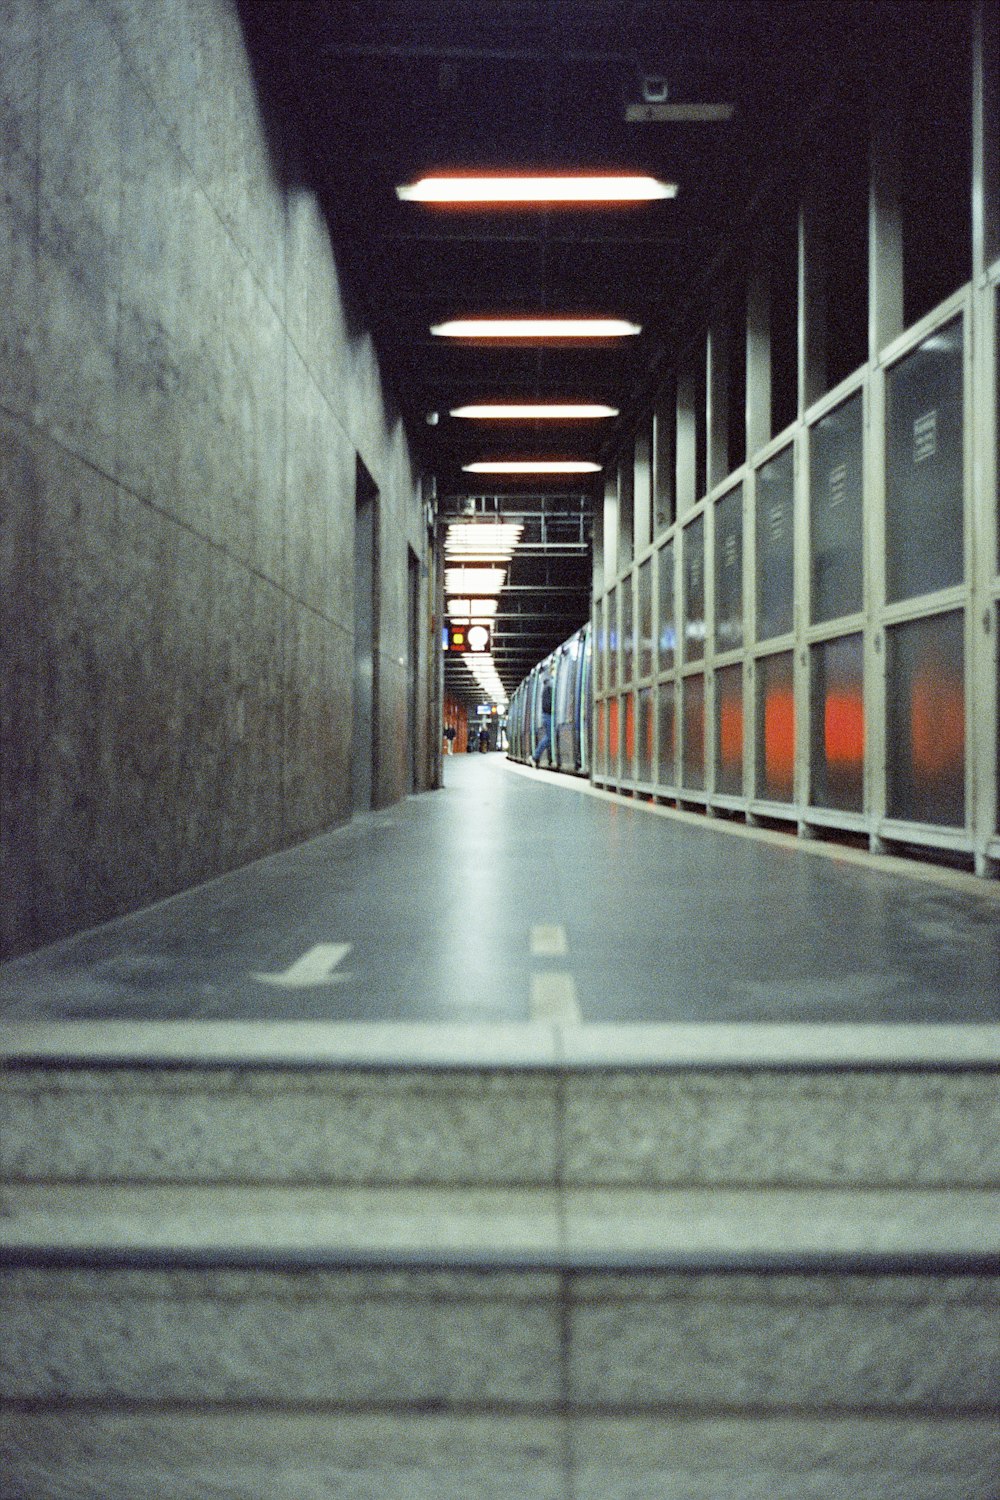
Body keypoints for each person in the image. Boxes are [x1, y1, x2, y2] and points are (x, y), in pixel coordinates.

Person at [532, 670, 554, 767]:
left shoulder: (545, 689)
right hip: (548, 716)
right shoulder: (548, 689)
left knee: (549, 738)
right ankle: (535, 756)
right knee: (549, 738)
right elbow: (548, 706)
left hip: (546, 716)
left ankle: (545, 758)